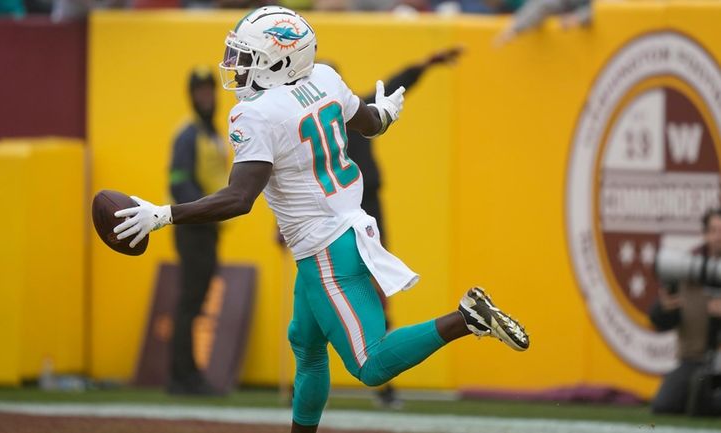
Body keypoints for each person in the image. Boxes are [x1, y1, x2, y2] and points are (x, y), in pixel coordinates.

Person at [112, 7, 529, 431]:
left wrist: (163, 215)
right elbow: (369, 122)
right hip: (345, 230)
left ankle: (468, 317)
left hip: (325, 247)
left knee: (369, 363)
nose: (237, 67)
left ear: (280, 61)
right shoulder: (325, 79)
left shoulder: (254, 114)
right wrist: (386, 111)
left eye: (247, 57)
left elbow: (240, 198)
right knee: (306, 344)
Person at [342, 46, 462, 409]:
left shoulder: (351, 112)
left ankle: (383, 380)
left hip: (368, 213)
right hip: (339, 215)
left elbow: (395, 85)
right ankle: (364, 376)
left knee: (374, 292)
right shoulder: (308, 128)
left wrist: (424, 64)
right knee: (338, 294)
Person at [166, 67, 229, 395]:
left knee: (195, 301)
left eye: (210, 90)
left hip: (207, 229)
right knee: (190, 302)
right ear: (191, 96)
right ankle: (183, 377)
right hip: (193, 229)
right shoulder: (188, 134)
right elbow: (178, 184)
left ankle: (187, 374)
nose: (207, 96)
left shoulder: (211, 133)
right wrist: (205, 212)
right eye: (200, 91)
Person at [650, 208, 721, 416]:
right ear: (705, 234)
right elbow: (659, 321)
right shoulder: (686, 268)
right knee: (664, 405)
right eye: (714, 230)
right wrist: (664, 309)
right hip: (694, 362)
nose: (719, 237)